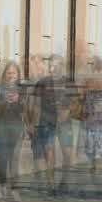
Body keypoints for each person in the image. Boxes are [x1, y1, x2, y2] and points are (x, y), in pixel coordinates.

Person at [31, 57, 75, 193]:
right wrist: (34, 124)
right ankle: (51, 183)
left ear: (61, 66)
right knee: (48, 151)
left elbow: (74, 102)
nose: (51, 69)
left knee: (67, 153)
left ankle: (65, 181)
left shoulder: (68, 83)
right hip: (46, 122)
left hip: (65, 123)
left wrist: (66, 113)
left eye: (54, 66)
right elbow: (37, 104)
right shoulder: (41, 83)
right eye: (50, 66)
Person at [0, 61, 27, 201]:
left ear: (18, 74)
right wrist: (1, 102)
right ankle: (1, 187)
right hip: (0, 127)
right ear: (4, 74)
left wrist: (27, 127)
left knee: (14, 159)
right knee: (2, 158)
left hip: (16, 127)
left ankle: (14, 189)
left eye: (14, 73)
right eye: (8, 73)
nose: (11, 76)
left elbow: (26, 110)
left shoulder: (22, 89)